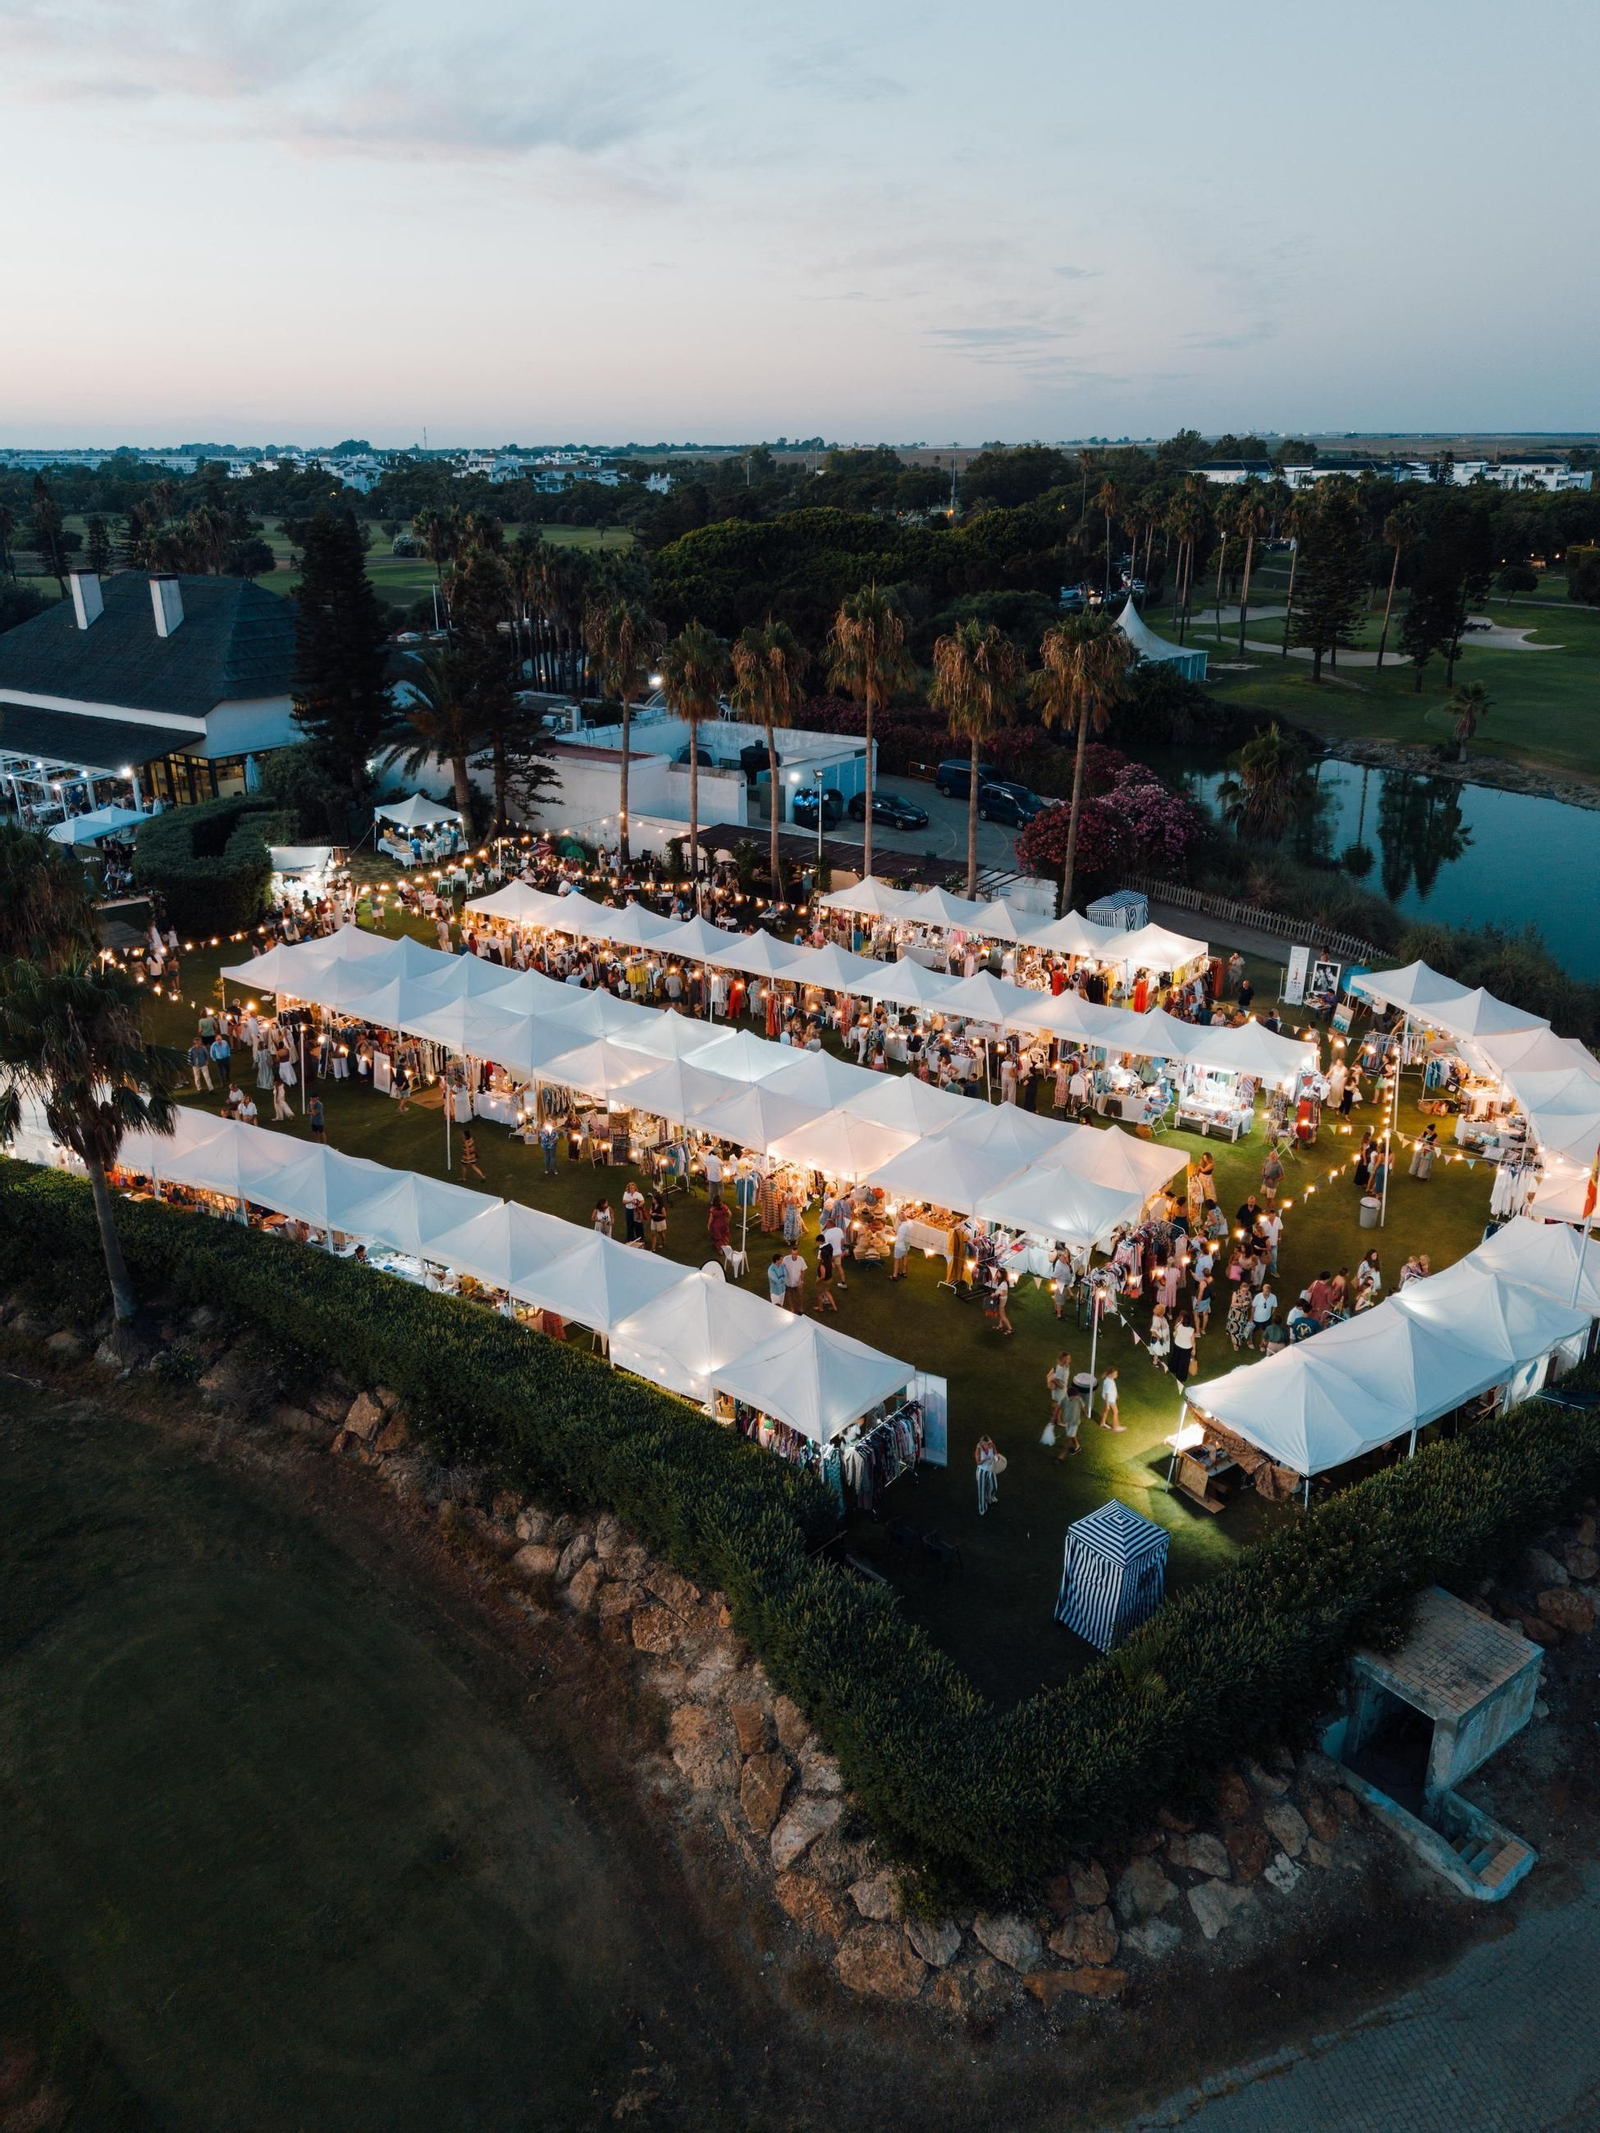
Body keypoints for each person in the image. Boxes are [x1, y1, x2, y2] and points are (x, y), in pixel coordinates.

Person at [974, 1434, 1000, 1514]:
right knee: (982, 1490)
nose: (990, 1445)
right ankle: (982, 1508)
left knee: (994, 1486)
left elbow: (995, 1453)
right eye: (987, 1444)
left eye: (990, 1443)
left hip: (991, 1469)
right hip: (982, 1470)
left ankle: (989, 1498)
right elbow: (978, 1462)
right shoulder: (978, 1449)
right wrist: (985, 1459)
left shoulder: (992, 1445)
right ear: (983, 1444)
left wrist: (997, 1457)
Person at [1251, 1281, 1277, 1350]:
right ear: (1263, 1290)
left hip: (1267, 1319)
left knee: (1264, 1332)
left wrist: (1271, 1315)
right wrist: (1251, 1317)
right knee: (1252, 1331)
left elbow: (1274, 1306)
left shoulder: (1273, 1297)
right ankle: (1250, 1342)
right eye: (1265, 1291)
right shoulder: (1258, 1296)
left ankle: (1262, 1344)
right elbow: (1253, 1307)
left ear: (1270, 1291)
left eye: (1268, 1292)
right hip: (1256, 1318)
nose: (1266, 1293)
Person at [1172, 1306, 1197, 1380]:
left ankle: (1173, 1369)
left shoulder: (1179, 1326)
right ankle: (1181, 1376)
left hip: (1177, 1345)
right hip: (1186, 1348)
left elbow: (1175, 1328)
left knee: (1176, 1358)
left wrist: (1180, 1322)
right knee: (1183, 1363)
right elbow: (1193, 1341)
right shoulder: (1191, 1330)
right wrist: (1194, 1349)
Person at [781, 1245, 807, 1312]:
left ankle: (801, 1308)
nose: (794, 1255)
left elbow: (803, 1270)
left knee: (799, 1295)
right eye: (793, 1254)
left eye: (795, 1254)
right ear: (791, 1253)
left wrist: (802, 1281)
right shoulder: (786, 1259)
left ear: (798, 1254)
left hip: (797, 1282)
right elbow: (781, 1267)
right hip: (788, 1282)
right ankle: (792, 1308)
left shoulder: (801, 1259)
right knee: (789, 1295)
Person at [1098, 1366, 1124, 1432]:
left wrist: (1116, 1394)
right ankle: (1115, 1427)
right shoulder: (1109, 1382)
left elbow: (1112, 1388)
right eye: (1115, 1374)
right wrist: (1107, 1404)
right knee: (1115, 1412)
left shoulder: (1109, 1379)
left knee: (1106, 1411)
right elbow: (1107, 1393)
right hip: (1110, 1400)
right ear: (1110, 1374)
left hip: (1110, 1398)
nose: (1116, 1375)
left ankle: (1102, 1423)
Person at [622, 1180, 645, 1244]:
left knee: (638, 1224)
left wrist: (638, 1206)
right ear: (628, 1188)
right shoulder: (626, 1193)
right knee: (629, 1224)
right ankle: (630, 1238)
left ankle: (640, 1237)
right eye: (631, 1188)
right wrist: (630, 1201)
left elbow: (643, 1201)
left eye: (633, 1188)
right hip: (628, 1210)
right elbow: (623, 1202)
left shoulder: (638, 1194)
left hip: (636, 1211)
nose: (632, 1189)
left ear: (635, 1188)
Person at [891, 1215, 913, 1281]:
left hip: (900, 1245)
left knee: (897, 1259)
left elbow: (899, 1238)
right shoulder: (910, 1223)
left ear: (901, 1218)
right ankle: (904, 1272)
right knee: (905, 1256)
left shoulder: (903, 1227)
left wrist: (892, 1234)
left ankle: (895, 1275)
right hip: (907, 1243)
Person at [647, 1187, 668, 1252]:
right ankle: (653, 1248)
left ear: (657, 1200)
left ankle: (663, 1242)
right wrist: (651, 1213)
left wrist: (657, 1214)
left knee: (660, 1233)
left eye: (653, 1199)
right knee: (653, 1234)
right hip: (653, 1221)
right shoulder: (653, 1204)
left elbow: (664, 1215)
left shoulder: (662, 1207)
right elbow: (650, 1209)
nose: (652, 1200)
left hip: (660, 1222)